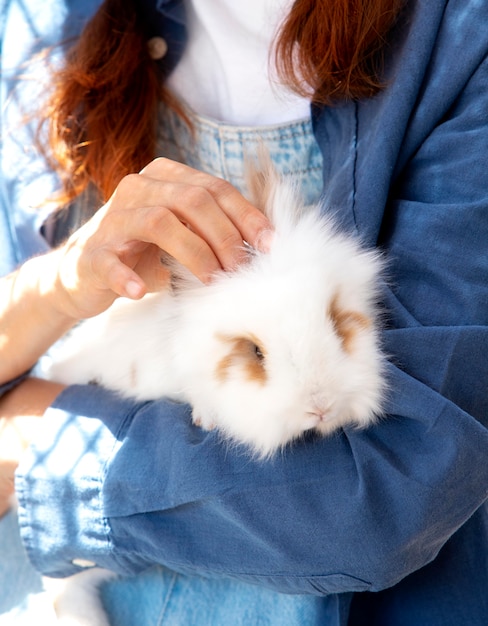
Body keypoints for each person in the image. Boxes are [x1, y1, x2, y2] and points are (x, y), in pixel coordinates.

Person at [1, 0, 488, 624]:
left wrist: (33, 442)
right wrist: (61, 286)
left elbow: (388, 495)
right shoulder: (42, 27)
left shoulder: (457, 33)